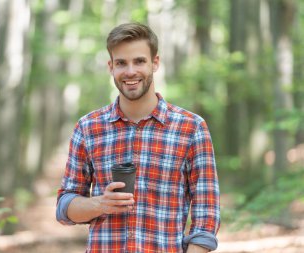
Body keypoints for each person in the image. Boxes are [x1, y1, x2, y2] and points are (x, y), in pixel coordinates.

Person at [56, 22, 220, 253]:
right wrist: (99, 204)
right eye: (121, 63)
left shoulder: (191, 128)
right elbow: (64, 208)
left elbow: (206, 216)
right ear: (111, 66)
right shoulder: (88, 127)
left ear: (155, 63)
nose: (130, 71)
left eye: (139, 61)